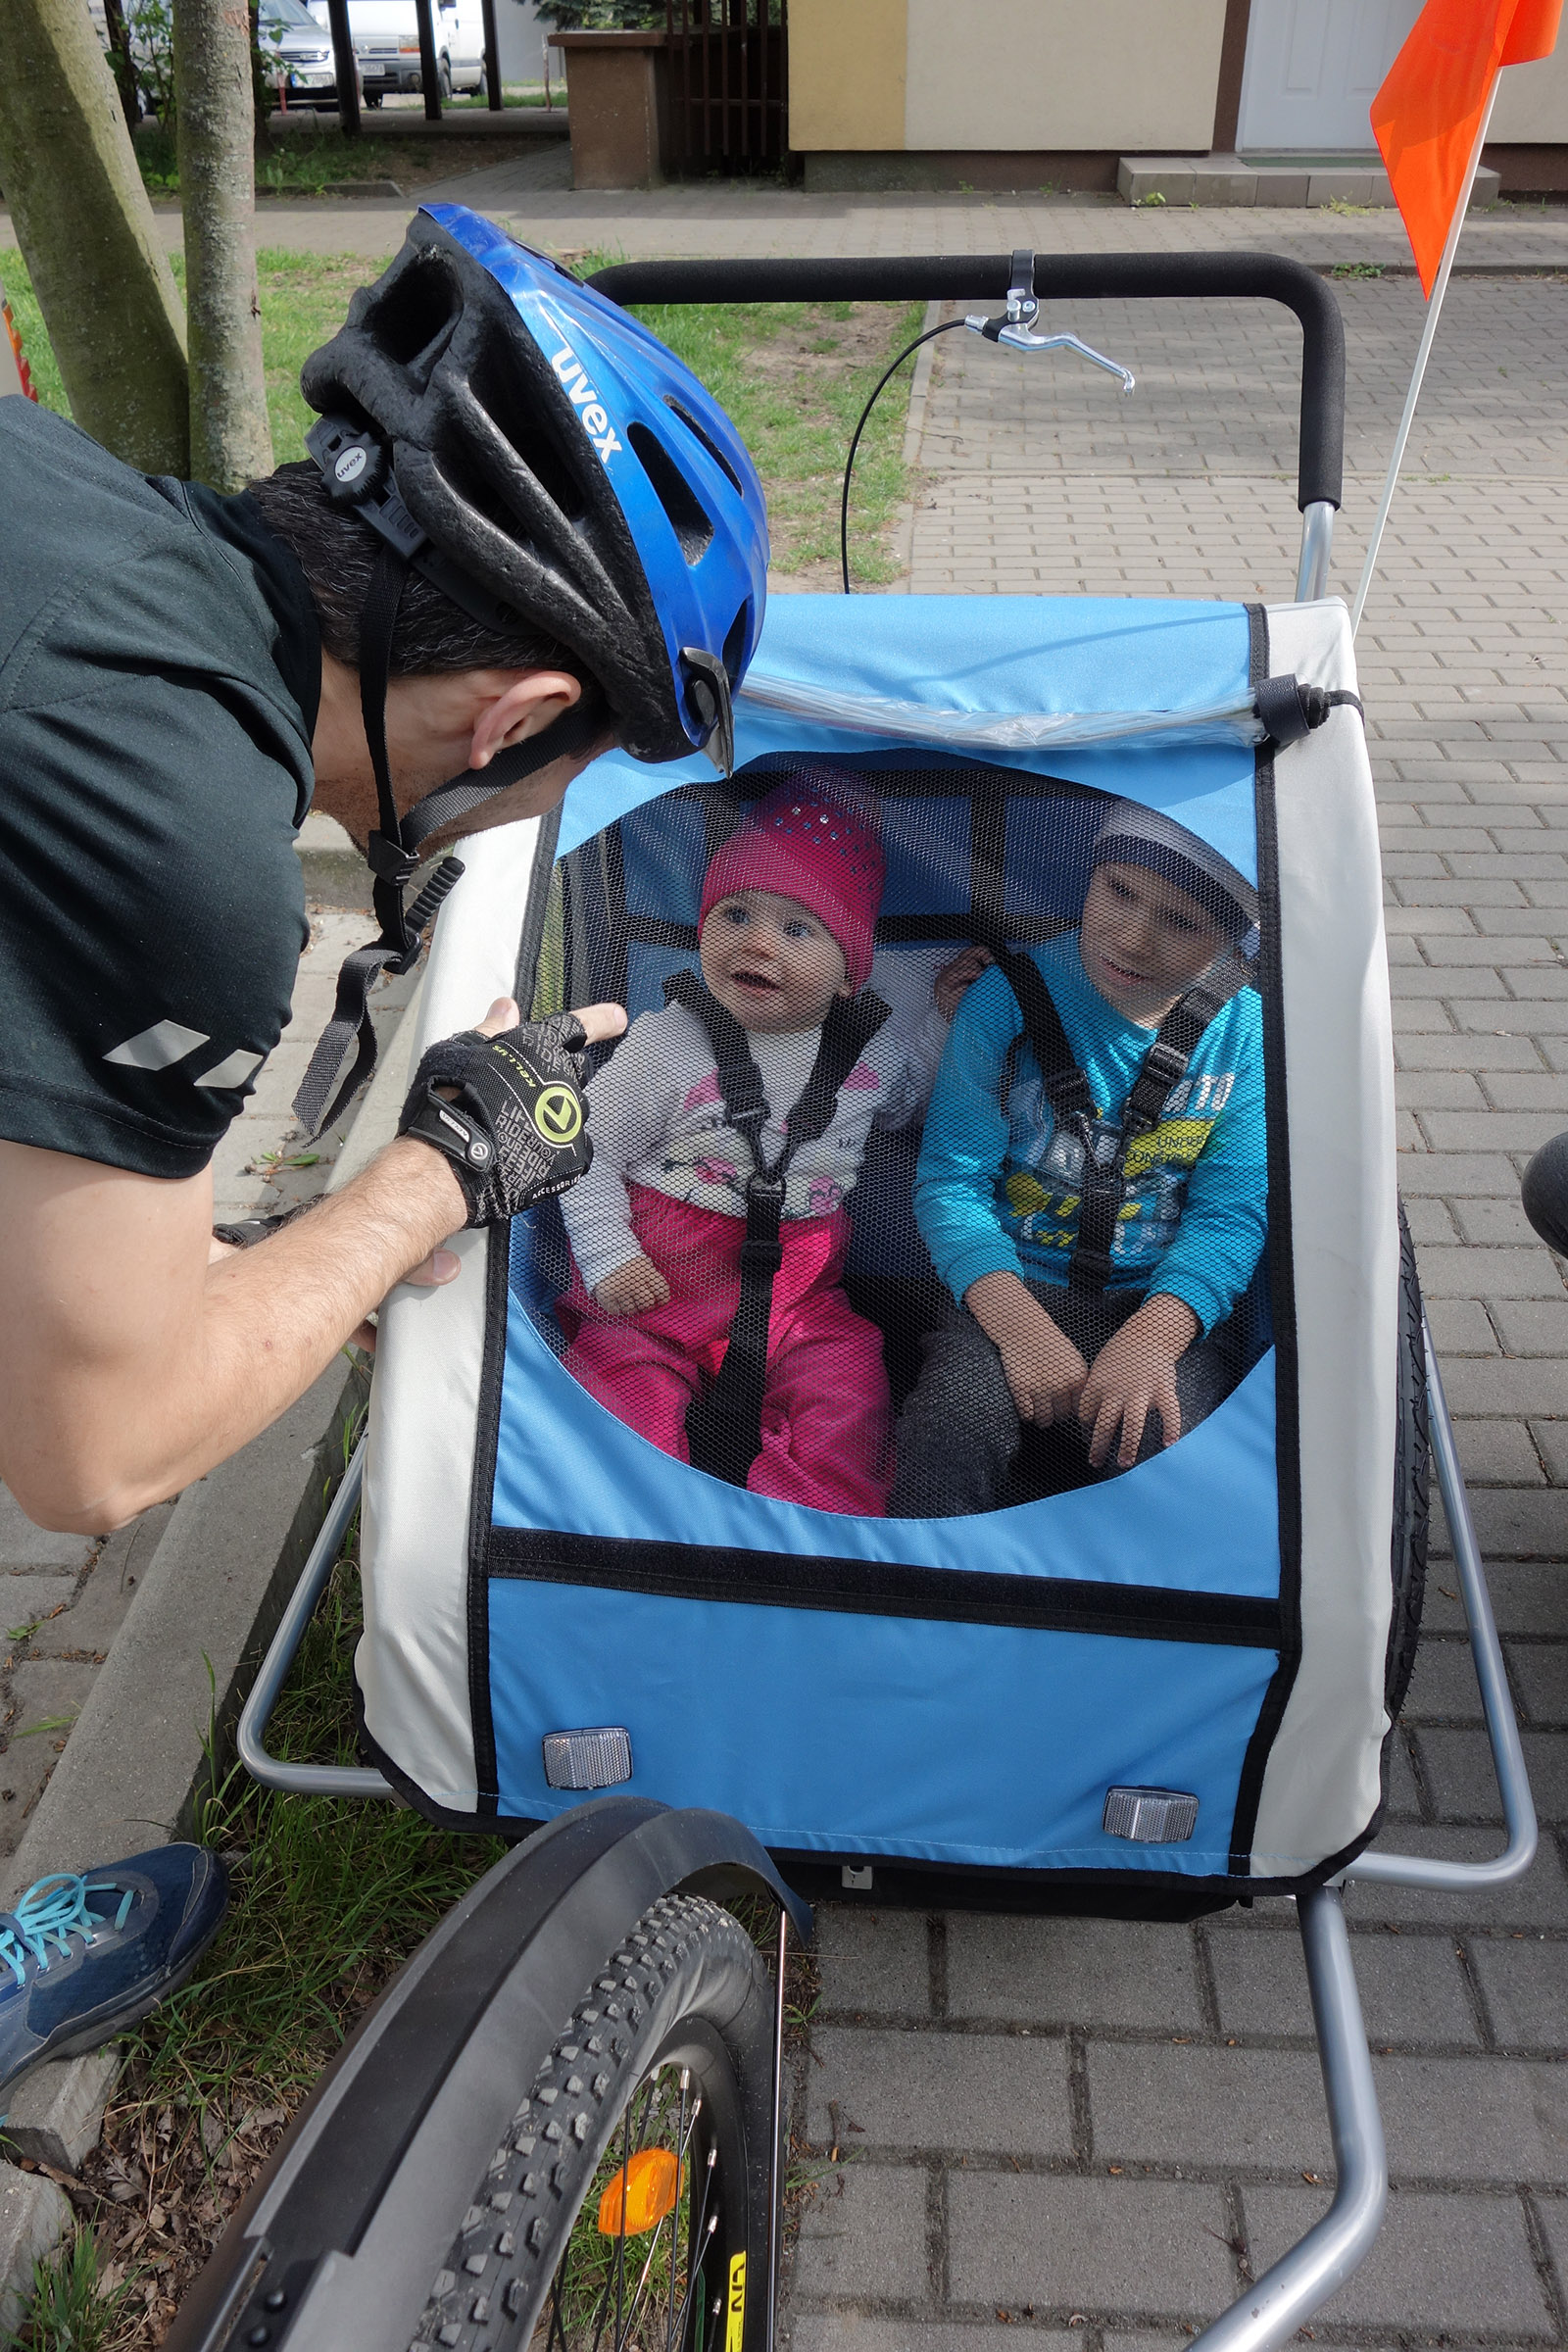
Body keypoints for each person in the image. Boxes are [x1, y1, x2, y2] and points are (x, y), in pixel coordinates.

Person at [0, 205, 768, 2091]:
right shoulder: (175, 834)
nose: (532, 813)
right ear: (516, 714)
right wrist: (449, 1165)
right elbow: (99, 1455)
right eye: (567, 777)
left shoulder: (57, 496)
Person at [556, 778, 988, 1513]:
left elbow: (906, 1104)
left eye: (797, 929)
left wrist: (943, 1022)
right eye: (735, 914)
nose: (757, 941)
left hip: (799, 1295)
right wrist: (607, 1255)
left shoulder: (869, 1048)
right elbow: (585, 1146)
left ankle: (808, 1534)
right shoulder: (666, 1044)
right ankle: (641, 1527)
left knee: (848, 1389)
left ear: (850, 975)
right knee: (621, 1397)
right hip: (657, 1283)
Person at [890, 800, 1267, 1517]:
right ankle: (925, 1576)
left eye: (1181, 922)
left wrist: (1156, 1335)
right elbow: (951, 1184)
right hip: (1008, 1287)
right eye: (1119, 890)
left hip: (1158, 1301)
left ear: (1230, 940)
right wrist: (1017, 1323)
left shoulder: (1243, 1032)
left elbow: (1230, 1215)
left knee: (1178, 1458)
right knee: (952, 1426)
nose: (1132, 937)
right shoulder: (1006, 1000)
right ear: (1089, 876)